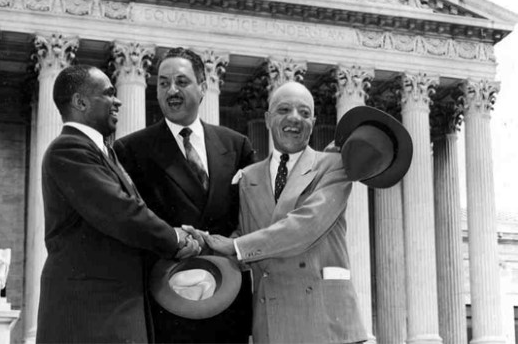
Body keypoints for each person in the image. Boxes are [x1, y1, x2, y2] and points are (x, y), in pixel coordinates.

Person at [37, 65, 199, 344]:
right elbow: (120, 213)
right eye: (109, 94)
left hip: (113, 310)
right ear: (80, 102)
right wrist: (174, 238)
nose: (119, 100)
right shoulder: (69, 150)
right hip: (90, 315)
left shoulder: (103, 152)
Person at [196, 82, 369, 344]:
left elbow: (305, 227)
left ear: (314, 121)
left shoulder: (334, 165)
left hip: (326, 323)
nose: (294, 119)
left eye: (304, 112)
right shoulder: (248, 177)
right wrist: (204, 244)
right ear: (267, 119)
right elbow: (248, 240)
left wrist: (236, 246)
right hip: (272, 322)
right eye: (284, 109)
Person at [114, 48, 255, 344]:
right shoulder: (131, 150)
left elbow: (255, 214)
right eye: (163, 83)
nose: (172, 91)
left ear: (203, 88)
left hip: (227, 302)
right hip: (167, 302)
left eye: (181, 81)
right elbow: (129, 226)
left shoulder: (237, 145)